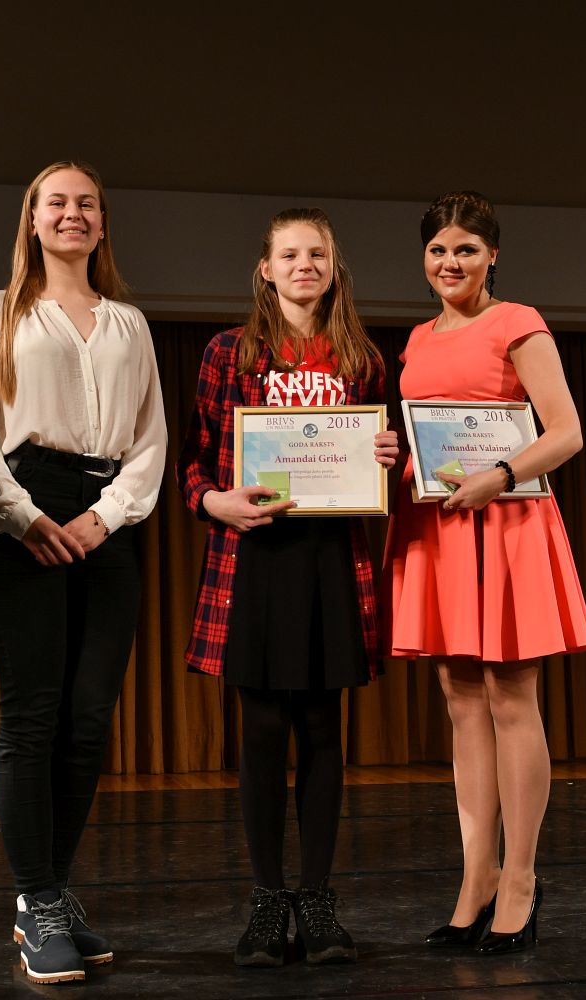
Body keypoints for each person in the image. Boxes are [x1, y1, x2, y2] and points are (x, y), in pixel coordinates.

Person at [0, 160, 166, 985]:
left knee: (89, 717)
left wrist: (104, 516)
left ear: (102, 223)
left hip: (107, 519)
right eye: (57, 203)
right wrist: (23, 517)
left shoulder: (130, 324)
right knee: (32, 715)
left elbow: (150, 440)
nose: (73, 214)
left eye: (87, 204)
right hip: (25, 507)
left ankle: (54, 889)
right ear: (33, 220)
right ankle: (36, 900)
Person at [178, 207, 399, 968]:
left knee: (324, 730)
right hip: (256, 559)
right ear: (266, 270)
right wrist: (213, 501)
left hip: (331, 558)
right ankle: (269, 902)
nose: (305, 265)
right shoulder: (229, 352)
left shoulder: (363, 359)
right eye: (290, 254)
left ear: (334, 269)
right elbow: (195, 459)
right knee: (265, 731)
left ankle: (319, 901)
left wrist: (388, 454)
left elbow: (387, 460)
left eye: (318, 254)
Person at [386, 191, 586, 955]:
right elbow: (423, 438)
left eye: (466, 250)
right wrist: (392, 454)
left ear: (492, 255)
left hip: (505, 523)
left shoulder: (517, 322)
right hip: (441, 527)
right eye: (439, 250)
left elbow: (566, 432)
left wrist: (500, 477)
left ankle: (521, 881)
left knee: (511, 697)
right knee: (461, 700)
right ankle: (476, 880)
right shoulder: (416, 338)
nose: (451, 263)